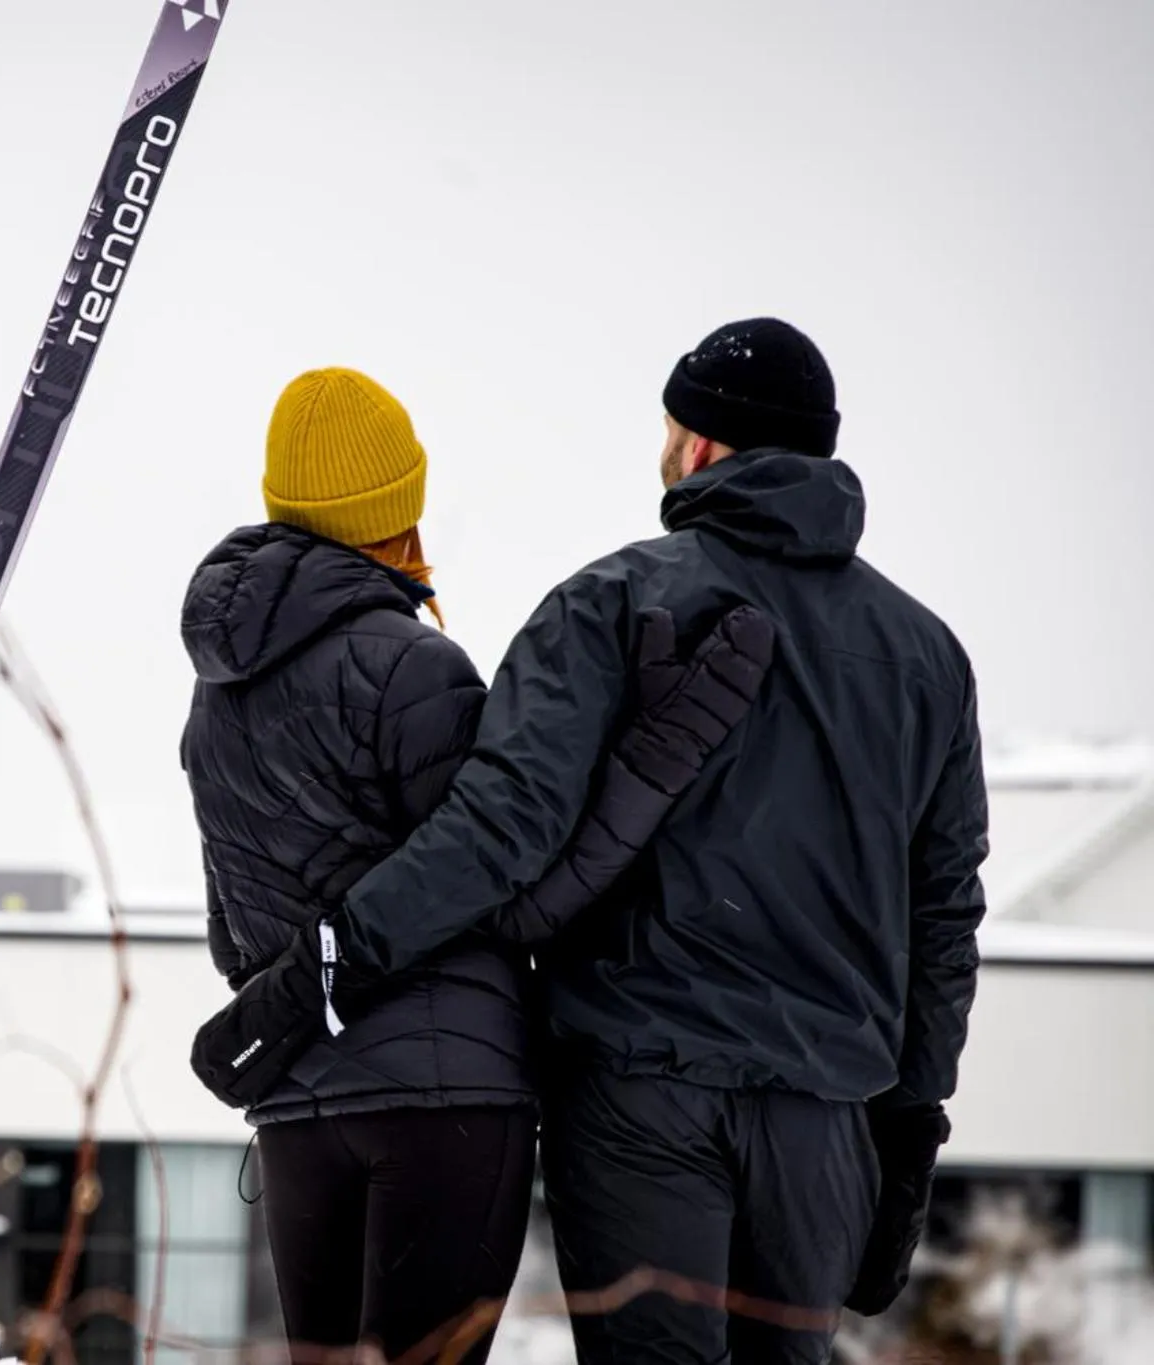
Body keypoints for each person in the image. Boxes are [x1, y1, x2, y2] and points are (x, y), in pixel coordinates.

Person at [327, 320, 988, 1365]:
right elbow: (943, 915)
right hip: (823, 1119)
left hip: (641, 1094)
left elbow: (503, 826)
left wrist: (343, 949)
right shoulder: (924, 657)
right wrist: (909, 1125)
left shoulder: (612, 602)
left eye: (669, 428)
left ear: (703, 448)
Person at [179, 366, 776, 1363]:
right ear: (393, 505)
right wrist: (656, 758)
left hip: (294, 1111)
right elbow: (509, 890)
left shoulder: (215, 695)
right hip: (444, 1103)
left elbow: (229, 935)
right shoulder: (413, 664)